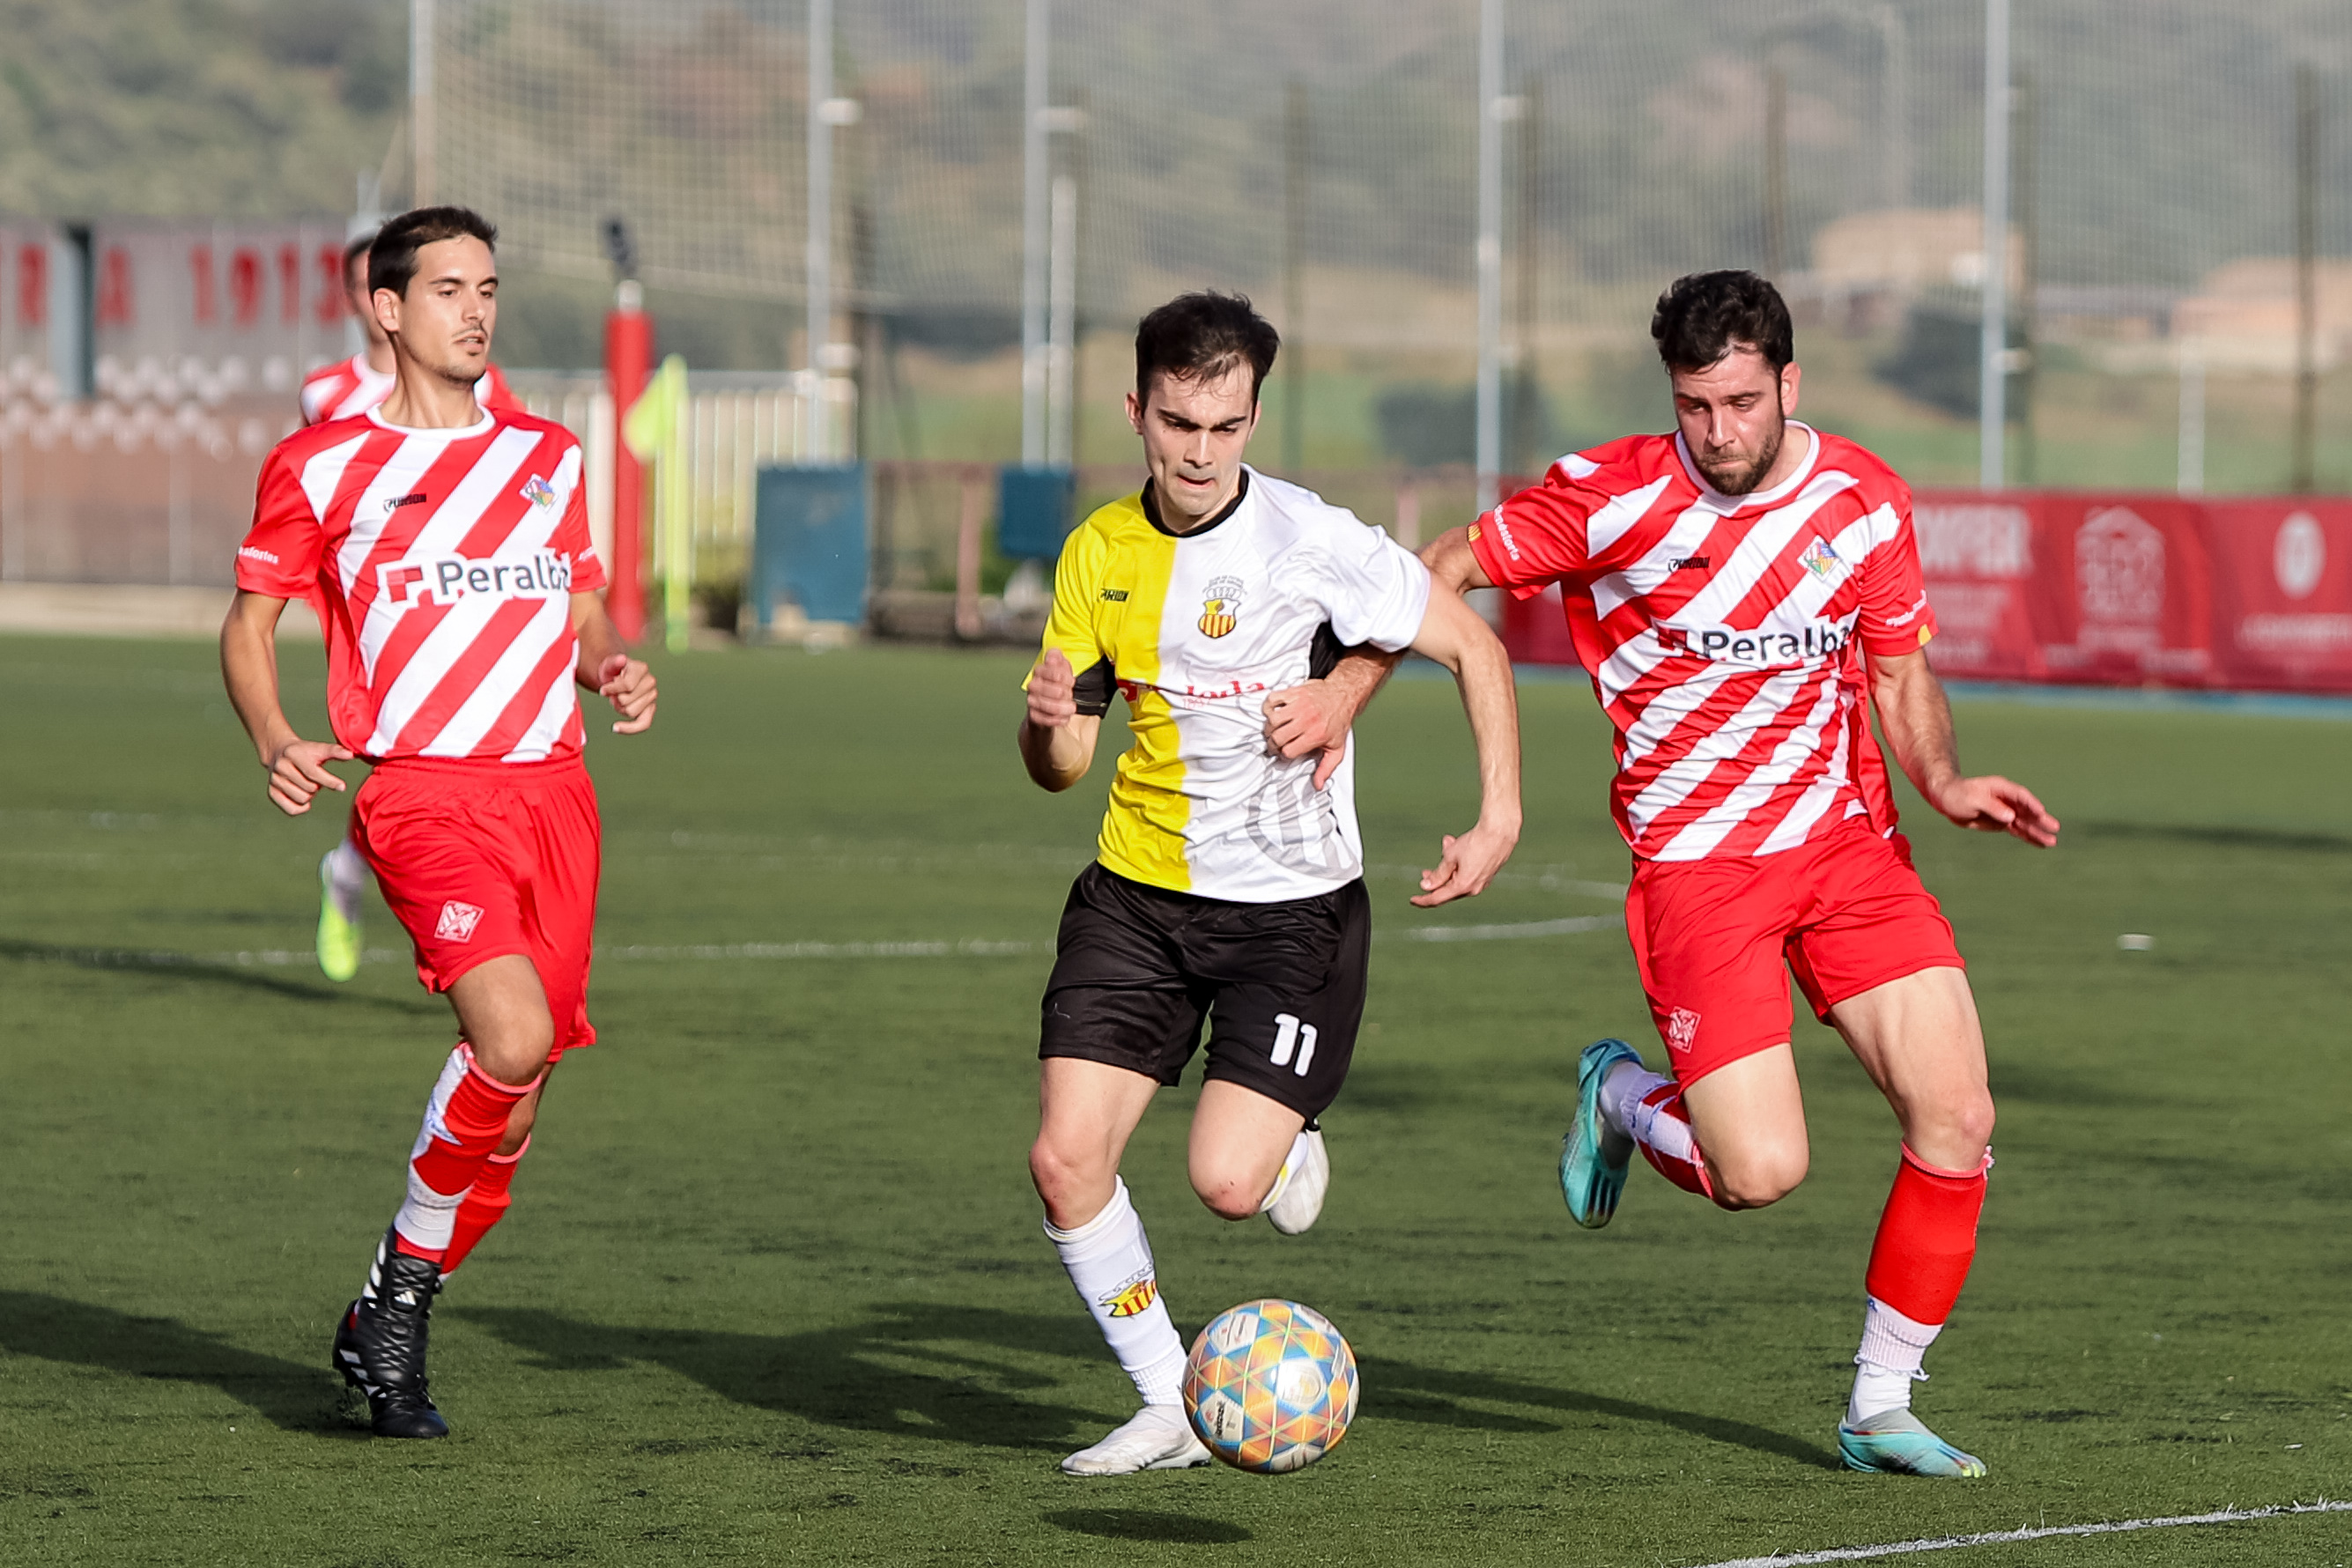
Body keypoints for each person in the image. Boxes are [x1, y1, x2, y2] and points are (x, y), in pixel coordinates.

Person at [1290, 271, 2059, 1477]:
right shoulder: (1610, 498)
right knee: (1758, 1175)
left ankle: (1877, 1405)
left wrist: (1946, 783)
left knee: (1957, 1117)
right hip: (1699, 872)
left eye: (1742, 402)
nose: (1720, 432)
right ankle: (1619, 1096)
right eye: (1695, 405)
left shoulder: (1861, 500)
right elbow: (1440, 564)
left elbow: (1899, 674)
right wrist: (1349, 691)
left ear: (1788, 384)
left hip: (1846, 849)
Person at [1020, 292, 1521, 1476]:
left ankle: (1286, 1131)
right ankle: (1164, 1404)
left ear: (1253, 418)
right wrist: (1045, 722)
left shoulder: (1308, 539)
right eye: (1179, 423)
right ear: (1135, 409)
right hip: (1135, 900)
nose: (1200, 453)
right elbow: (1061, 768)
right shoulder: (1097, 551)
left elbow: (1472, 644)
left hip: (1290, 915)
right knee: (1062, 1158)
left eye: (1227, 427)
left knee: (1226, 1188)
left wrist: (1493, 811)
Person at [221, 205, 656, 1439]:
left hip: (555, 798)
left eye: (489, 287)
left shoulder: (547, 458)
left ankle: (382, 1308)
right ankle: (404, 1300)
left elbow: (578, 611)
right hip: (419, 794)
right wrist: (274, 739)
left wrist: (613, 665)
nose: (476, 309)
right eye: (449, 287)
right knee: (507, 1036)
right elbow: (248, 622)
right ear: (388, 310)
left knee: (513, 1103)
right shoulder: (322, 465)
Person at [304, 227, 524, 983]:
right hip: (374, 605)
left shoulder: (482, 386)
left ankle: (357, 873)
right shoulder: (326, 395)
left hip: (462, 603)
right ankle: (368, 880)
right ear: (366, 301)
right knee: (404, 752)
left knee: (436, 753)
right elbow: (317, 497)